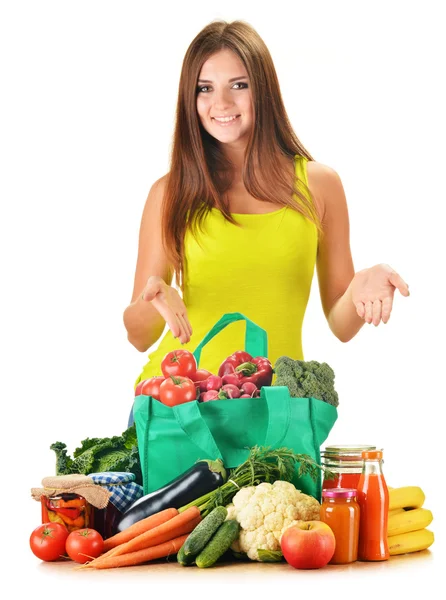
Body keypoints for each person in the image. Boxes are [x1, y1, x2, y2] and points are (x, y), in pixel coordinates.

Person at [123, 19, 409, 404]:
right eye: (204, 89)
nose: (221, 104)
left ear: (265, 90)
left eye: (239, 85)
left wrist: (360, 289)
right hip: (181, 410)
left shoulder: (319, 186)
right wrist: (154, 299)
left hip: (277, 412)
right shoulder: (170, 192)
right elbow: (139, 336)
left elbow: (341, 326)